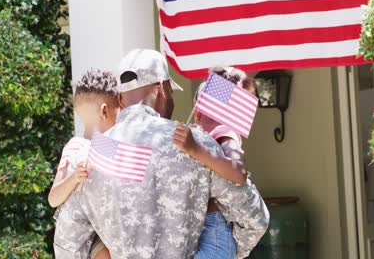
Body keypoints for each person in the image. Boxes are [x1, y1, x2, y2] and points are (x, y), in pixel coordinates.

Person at [56, 49, 269, 259]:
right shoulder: (195, 144)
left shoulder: (93, 154)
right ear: (162, 89)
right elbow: (254, 218)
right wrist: (223, 252)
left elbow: (68, 242)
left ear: (121, 100)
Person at [174, 67, 264, 259]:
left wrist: (195, 149)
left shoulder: (224, 134)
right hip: (197, 227)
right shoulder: (199, 135)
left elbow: (239, 172)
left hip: (215, 231)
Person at [50, 70, 118, 259]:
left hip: (97, 237)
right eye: (118, 110)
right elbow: (53, 199)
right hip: (72, 247)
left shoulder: (111, 145)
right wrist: (74, 177)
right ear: (105, 111)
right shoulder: (76, 147)